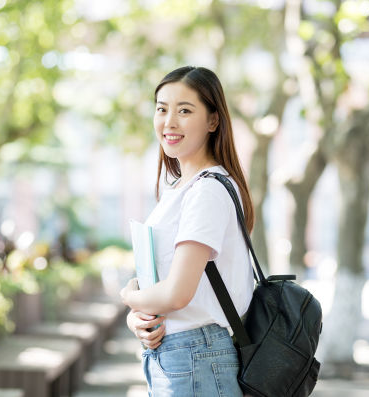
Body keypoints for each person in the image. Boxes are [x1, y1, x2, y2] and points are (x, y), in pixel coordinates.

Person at [120, 66, 255, 396]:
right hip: (184, 355)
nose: (169, 122)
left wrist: (127, 298)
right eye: (162, 109)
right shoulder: (183, 189)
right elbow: (167, 286)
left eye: (184, 110)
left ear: (213, 121)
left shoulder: (206, 191)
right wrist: (138, 318)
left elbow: (177, 294)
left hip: (197, 356)